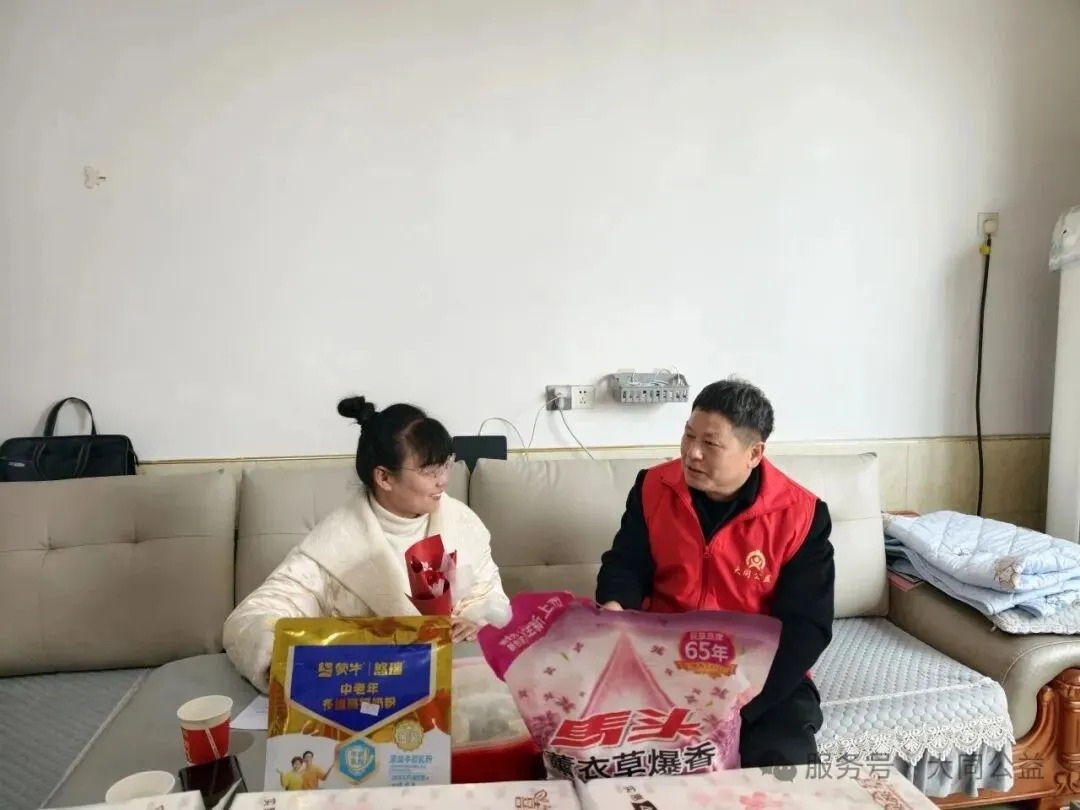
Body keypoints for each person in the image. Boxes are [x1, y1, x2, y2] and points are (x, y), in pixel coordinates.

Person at [595, 377, 834, 768]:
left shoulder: (801, 516)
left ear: (754, 453)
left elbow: (807, 627)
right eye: (688, 435)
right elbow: (626, 563)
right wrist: (614, 606)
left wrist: (741, 705)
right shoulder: (653, 486)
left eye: (710, 443)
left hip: (759, 676)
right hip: (663, 662)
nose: (692, 453)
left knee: (784, 766)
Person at [223, 396, 511, 692]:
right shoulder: (337, 543)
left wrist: (476, 620)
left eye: (445, 464)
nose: (443, 480)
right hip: (376, 690)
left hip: (458, 681)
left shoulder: (461, 523)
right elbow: (250, 619)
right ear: (384, 477)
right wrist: (279, 658)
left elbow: (490, 596)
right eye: (429, 471)